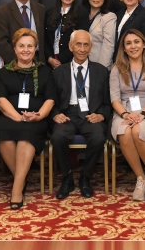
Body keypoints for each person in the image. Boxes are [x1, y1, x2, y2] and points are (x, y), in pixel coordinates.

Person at [0, 28, 56, 209]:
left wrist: (38, 116)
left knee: (26, 134)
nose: (26, 50)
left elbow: (50, 100)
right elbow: (0, 99)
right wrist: (18, 117)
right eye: (21, 46)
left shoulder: (45, 71)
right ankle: (20, 180)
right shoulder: (4, 72)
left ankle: (16, 188)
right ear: (14, 49)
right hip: (10, 116)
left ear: (35, 48)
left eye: (30, 46)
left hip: (36, 118)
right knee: (2, 131)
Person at [50, 30, 111, 199]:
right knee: (58, 137)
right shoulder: (58, 72)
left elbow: (108, 103)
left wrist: (101, 116)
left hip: (91, 115)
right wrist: (55, 114)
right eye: (78, 44)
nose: (82, 49)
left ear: (91, 47)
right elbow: (50, 100)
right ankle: (67, 177)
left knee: (98, 137)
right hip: (67, 114)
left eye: (86, 45)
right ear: (70, 46)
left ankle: (85, 177)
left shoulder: (101, 71)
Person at [110, 29, 145, 202]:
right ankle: (141, 178)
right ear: (124, 48)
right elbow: (114, 99)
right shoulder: (117, 69)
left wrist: (142, 114)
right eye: (128, 43)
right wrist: (125, 114)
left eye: (136, 42)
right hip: (124, 111)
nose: (133, 46)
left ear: (143, 45)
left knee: (138, 130)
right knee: (124, 131)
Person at [0, 0, 47, 64]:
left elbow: (44, 38)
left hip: (39, 61)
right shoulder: (2, 12)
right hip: (16, 62)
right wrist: (18, 62)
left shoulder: (40, 9)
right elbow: (1, 43)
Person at [45, 0, 90, 70]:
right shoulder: (49, 12)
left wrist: (60, 59)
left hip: (71, 62)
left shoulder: (82, 13)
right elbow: (44, 39)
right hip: (50, 63)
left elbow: (81, 40)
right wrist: (49, 58)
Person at [82, 0, 117, 68]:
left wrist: (101, 69)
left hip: (99, 65)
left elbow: (108, 46)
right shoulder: (82, 15)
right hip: (81, 65)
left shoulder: (109, 17)